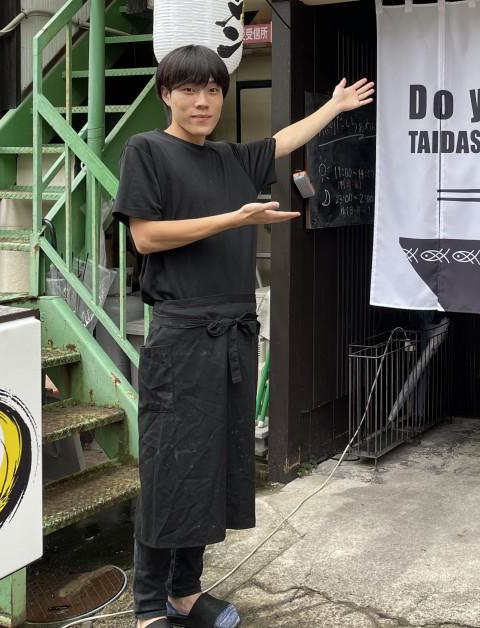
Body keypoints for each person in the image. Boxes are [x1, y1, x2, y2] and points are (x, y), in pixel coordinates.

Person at [113, 44, 374, 628]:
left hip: (232, 334)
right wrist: (236, 219)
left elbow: (282, 141)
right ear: (166, 94)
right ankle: (149, 604)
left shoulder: (231, 159)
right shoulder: (147, 150)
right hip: (181, 335)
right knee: (172, 467)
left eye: (212, 90)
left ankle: (186, 590)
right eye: (188, 90)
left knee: (215, 469)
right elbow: (147, 238)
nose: (201, 102)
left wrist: (333, 107)